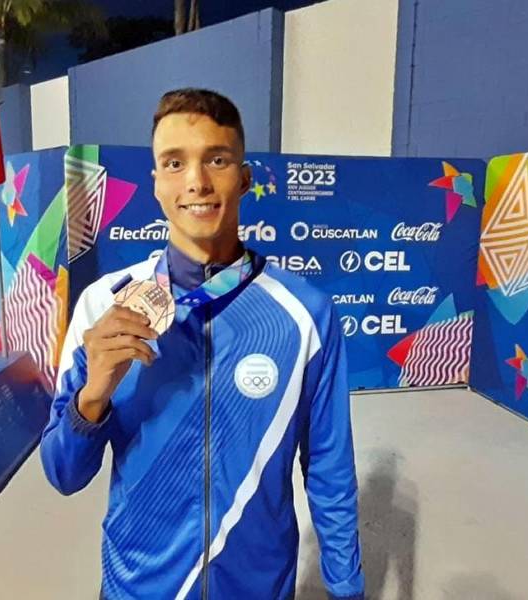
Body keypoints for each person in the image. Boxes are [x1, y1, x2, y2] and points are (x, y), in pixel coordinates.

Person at [41, 89, 364, 600]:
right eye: (174, 163)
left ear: (245, 177)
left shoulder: (306, 313)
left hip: (259, 588)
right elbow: (63, 473)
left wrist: (346, 588)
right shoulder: (105, 306)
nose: (196, 182)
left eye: (217, 159)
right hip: (138, 588)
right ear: (155, 182)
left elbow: (329, 467)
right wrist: (93, 396)